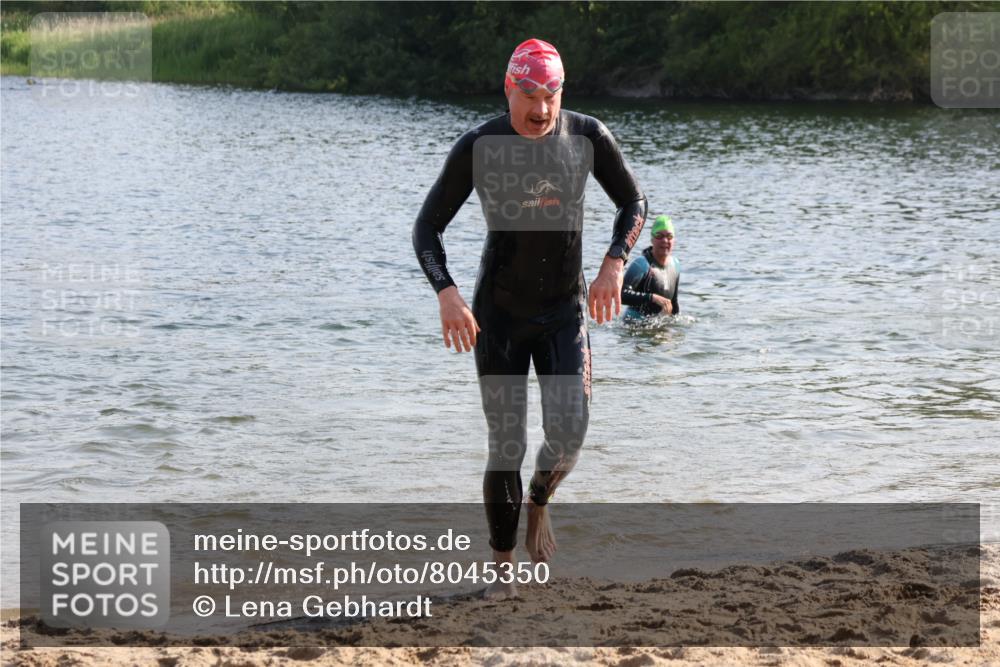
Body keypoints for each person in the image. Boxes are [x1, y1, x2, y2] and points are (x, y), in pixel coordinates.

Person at [412, 38, 646, 599]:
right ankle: (501, 567)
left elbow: (633, 203)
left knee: (570, 434)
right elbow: (427, 229)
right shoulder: (481, 144)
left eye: (551, 94)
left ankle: (539, 502)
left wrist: (614, 264)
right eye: (528, 94)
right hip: (500, 316)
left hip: (564, 312)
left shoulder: (586, 137)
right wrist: (446, 294)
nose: (541, 109)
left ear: (562, 92)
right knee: (507, 442)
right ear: (508, 88)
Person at [621, 214, 680, 319]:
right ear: (652, 239)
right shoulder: (641, 264)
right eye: (659, 236)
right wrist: (651, 298)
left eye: (669, 236)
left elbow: (674, 303)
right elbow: (621, 295)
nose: (665, 241)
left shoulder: (675, 265)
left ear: (674, 240)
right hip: (634, 325)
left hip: (658, 323)